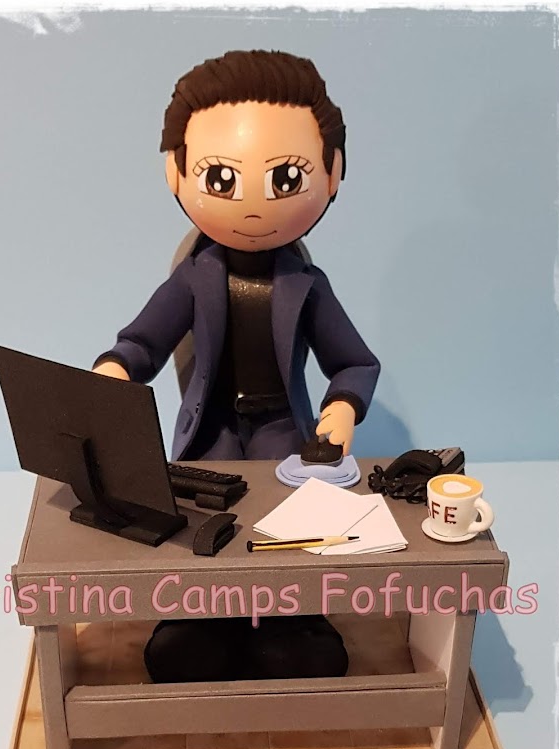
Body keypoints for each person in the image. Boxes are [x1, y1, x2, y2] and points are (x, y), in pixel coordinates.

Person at [93, 50, 381, 683]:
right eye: (220, 178)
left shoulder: (307, 286)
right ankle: (200, 616)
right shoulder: (194, 280)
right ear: (177, 173)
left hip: (282, 428)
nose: (252, 206)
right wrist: (114, 370)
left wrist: (341, 406)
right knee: (202, 519)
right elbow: (143, 341)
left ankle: (290, 618)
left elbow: (353, 361)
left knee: (287, 520)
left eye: (286, 178)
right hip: (213, 427)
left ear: (332, 172)